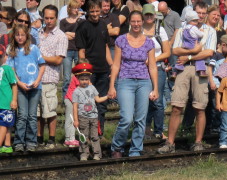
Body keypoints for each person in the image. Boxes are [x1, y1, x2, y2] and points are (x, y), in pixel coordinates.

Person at [157, 1, 216, 154]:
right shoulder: (183, 29)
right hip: (184, 70)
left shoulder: (210, 31)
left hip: (200, 70)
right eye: (198, 13)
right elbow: (175, 50)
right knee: (176, 106)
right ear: (193, 13)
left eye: (204, 13)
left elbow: (209, 53)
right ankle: (170, 142)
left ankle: (197, 142)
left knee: (199, 107)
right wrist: (194, 53)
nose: (201, 16)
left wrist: (188, 56)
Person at [108, 10, 158, 157]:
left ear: (143, 22)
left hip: (144, 81)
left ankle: (136, 150)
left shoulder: (149, 42)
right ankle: (117, 146)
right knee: (126, 118)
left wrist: (156, 88)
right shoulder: (121, 40)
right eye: (133, 21)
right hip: (125, 81)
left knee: (141, 118)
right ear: (129, 22)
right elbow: (116, 65)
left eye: (139, 21)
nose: (136, 24)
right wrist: (112, 85)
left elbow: (153, 66)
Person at [7, 23, 45, 152]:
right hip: (20, 87)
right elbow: (11, 70)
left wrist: (38, 80)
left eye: (22, 35)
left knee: (32, 115)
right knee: (22, 115)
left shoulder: (34, 49)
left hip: (35, 87)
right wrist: (19, 83)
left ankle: (31, 141)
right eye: (17, 35)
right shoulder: (12, 51)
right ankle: (19, 141)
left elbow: (42, 66)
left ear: (26, 36)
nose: (20, 37)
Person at [76, 0, 112, 133]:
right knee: (87, 101)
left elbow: (106, 46)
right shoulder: (83, 26)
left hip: (103, 69)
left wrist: (112, 65)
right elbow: (81, 50)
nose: (95, 14)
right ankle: (86, 130)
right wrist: (83, 70)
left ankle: (99, 130)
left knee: (101, 103)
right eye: (92, 11)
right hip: (89, 71)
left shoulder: (103, 25)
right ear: (88, 12)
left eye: (97, 11)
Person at [37, 4, 68, 149]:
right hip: (35, 78)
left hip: (50, 78)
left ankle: (51, 139)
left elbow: (58, 59)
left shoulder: (61, 36)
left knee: (50, 110)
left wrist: (40, 57)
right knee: (38, 112)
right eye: (46, 18)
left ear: (56, 18)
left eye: (51, 18)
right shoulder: (38, 33)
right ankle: (38, 138)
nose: (48, 21)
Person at [142, 3, 169, 140]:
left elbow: (167, 52)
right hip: (141, 69)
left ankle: (158, 130)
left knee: (157, 100)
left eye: (150, 14)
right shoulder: (138, 29)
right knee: (144, 100)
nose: (148, 17)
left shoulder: (160, 30)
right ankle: (145, 128)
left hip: (158, 68)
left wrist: (153, 59)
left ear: (154, 15)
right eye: (146, 14)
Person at [72, 62, 108, 160]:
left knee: (95, 136)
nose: (84, 81)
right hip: (83, 117)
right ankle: (84, 154)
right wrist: (76, 120)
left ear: (89, 79)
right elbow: (75, 106)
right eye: (82, 79)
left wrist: (107, 96)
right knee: (83, 136)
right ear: (78, 79)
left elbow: (98, 99)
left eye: (87, 79)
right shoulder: (76, 91)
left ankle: (97, 153)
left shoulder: (92, 88)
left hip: (94, 117)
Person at [59, 0, 84, 99]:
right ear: (69, 9)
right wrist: (71, 35)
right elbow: (62, 35)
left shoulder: (81, 21)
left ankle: (80, 97)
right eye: (74, 8)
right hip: (67, 50)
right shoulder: (63, 21)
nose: (76, 10)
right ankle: (65, 99)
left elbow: (80, 35)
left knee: (80, 75)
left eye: (78, 8)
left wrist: (69, 34)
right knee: (66, 78)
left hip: (78, 50)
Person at [172, 11, 206, 78]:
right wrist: (202, 32)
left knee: (180, 59)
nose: (196, 23)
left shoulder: (184, 28)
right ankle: (201, 71)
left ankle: (175, 72)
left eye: (196, 21)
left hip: (185, 45)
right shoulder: (194, 28)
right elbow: (200, 35)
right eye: (194, 21)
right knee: (199, 58)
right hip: (192, 44)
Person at [0, 45, 17, 154]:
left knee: (3, 125)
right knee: (6, 124)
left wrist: (14, 100)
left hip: (6, 102)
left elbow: (14, 85)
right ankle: (7, 145)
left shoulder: (8, 69)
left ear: (5, 56)